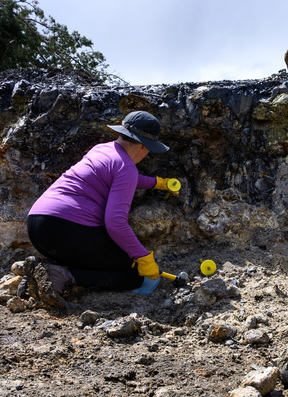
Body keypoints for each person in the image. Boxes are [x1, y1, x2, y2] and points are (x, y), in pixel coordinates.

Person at [25, 111, 179, 308]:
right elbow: (115, 222)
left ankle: (39, 275)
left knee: (96, 259)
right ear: (143, 146)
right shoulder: (126, 168)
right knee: (131, 275)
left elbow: (120, 176)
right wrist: (142, 257)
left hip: (38, 224)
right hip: (67, 228)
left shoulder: (101, 149)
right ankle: (63, 276)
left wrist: (157, 183)